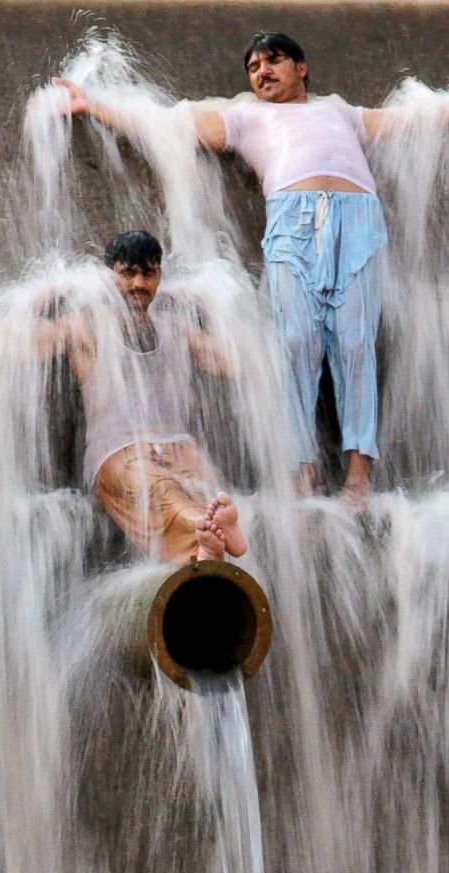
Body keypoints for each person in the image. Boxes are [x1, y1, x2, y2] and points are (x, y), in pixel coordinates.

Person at [54, 32, 409, 508]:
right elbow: (168, 125)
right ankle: (301, 469)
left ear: (301, 68)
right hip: (291, 222)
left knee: (354, 343)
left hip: (358, 220)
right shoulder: (246, 117)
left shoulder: (340, 112)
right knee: (294, 343)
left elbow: (406, 119)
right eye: (254, 67)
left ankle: (358, 475)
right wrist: (94, 106)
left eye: (273, 60)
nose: (262, 71)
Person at [30, 230, 249, 563]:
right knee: (163, 491)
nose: (138, 284)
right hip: (118, 450)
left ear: (160, 275)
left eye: (148, 273)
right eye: (127, 273)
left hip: (179, 446)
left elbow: (234, 364)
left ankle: (209, 542)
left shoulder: (176, 326)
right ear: (110, 277)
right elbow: (14, 347)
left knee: (207, 490)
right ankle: (204, 534)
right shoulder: (85, 327)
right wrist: (44, 297)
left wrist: (215, 308)